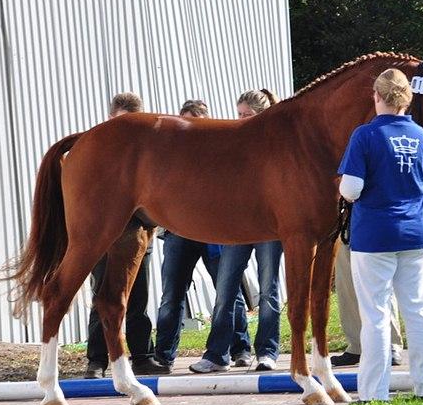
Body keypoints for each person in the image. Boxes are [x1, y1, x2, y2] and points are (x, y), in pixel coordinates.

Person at [338, 68, 423, 403]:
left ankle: (373, 392)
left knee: (376, 314)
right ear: (407, 99)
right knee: (417, 309)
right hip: (416, 233)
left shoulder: (364, 136)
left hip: (375, 236)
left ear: (376, 96)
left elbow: (351, 189)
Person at [189, 89, 283, 374]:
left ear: (262, 115)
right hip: (236, 224)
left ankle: (267, 352)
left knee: (268, 289)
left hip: (268, 224)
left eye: (247, 115)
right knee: (225, 289)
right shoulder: (232, 141)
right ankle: (217, 354)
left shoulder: (276, 144)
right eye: (239, 114)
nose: (240, 119)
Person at [154, 100, 251, 369]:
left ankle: (241, 348)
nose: (189, 128)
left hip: (214, 231)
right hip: (179, 231)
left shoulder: (219, 148)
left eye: (195, 122)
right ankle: (163, 354)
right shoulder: (170, 153)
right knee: (171, 294)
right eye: (185, 122)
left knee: (228, 291)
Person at [84, 92, 169, 378]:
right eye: (123, 123)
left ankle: (142, 354)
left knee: (139, 296)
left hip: (138, 233)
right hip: (105, 234)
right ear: (111, 119)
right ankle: (96, 359)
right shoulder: (97, 149)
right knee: (103, 295)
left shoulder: (147, 153)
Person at [330, 243, 404, 367]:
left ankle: (392, 345)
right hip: (342, 229)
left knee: (380, 285)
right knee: (346, 284)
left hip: (373, 229)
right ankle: (357, 346)